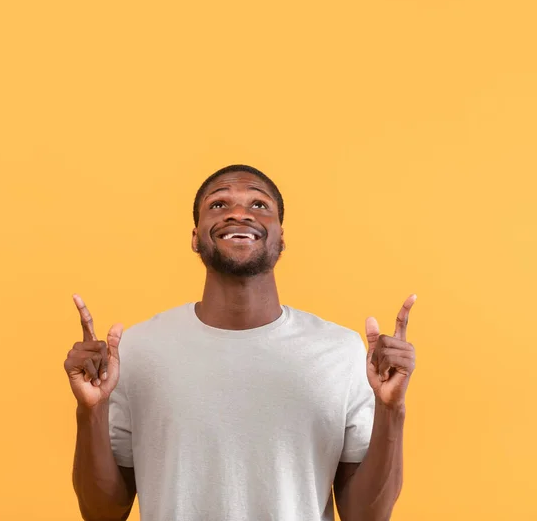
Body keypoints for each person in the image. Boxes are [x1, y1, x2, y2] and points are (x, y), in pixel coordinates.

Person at [64, 164, 417, 521]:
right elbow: (102, 513)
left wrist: (392, 410)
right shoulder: (138, 350)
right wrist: (90, 411)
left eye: (259, 205)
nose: (238, 213)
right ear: (195, 237)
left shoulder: (339, 351)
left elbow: (365, 516)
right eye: (218, 205)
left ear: (281, 238)